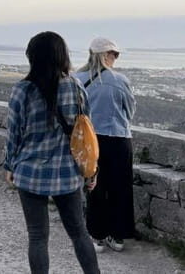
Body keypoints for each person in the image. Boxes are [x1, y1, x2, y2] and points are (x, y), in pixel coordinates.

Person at [4, 31, 100, 274]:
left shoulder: (22, 90)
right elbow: (86, 133)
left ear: (32, 57)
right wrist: (91, 170)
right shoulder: (76, 87)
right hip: (67, 172)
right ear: (62, 56)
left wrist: (9, 166)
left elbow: (13, 133)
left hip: (30, 172)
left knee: (37, 236)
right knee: (79, 233)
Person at [75, 37, 136, 252]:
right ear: (105, 55)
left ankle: (96, 235)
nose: (115, 58)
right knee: (120, 187)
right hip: (119, 138)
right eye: (114, 54)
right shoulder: (120, 80)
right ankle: (117, 236)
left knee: (95, 187)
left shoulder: (77, 79)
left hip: (91, 140)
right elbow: (130, 111)